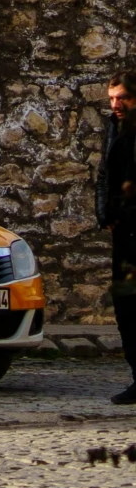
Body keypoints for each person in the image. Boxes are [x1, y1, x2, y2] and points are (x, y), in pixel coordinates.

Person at [98, 70, 136, 404]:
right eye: (111, 98)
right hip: (125, 236)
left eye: (121, 97)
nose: (116, 105)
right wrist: (104, 213)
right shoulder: (113, 128)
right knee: (126, 308)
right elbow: (104, 174)